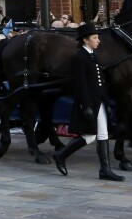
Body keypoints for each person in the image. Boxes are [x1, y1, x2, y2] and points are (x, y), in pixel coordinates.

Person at [53, 22, 125, 182]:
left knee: (103, 134)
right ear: (86, 40)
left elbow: (101, 83)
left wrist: (106, 102)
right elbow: (80, 84)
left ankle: (105, 170)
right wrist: (85, 106)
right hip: (89, 102)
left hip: (99, 101)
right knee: (90, 136)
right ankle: (61, 155)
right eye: (95, 38)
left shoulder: (93, 55)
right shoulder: (80, 57)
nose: (98, 40)